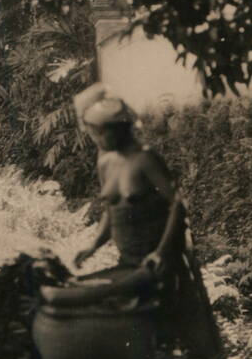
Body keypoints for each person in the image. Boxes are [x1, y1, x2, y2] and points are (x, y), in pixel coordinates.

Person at [73, 83, 186, 277]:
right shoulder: (106, 163)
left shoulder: (145, 159)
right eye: (93, 133)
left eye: (98, 133)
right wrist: (93, 246)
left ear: (115, 130)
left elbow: (177, 203)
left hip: (157, 264)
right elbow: (111, 211)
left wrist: (161, 252)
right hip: (128, 262)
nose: (96, 139)